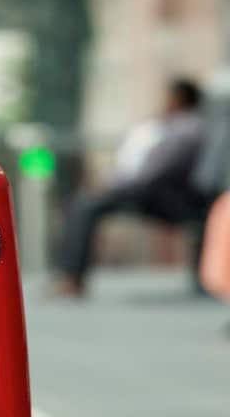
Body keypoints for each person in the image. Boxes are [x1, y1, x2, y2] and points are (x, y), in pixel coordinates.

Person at [51, 76, 210, 296]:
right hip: (143, 191)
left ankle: (72, 279)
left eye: (168, 96)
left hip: (161, 196)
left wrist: (116, 187)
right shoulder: (164, 125)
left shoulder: (189, 129)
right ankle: (70, 277)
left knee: (84, 206)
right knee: (82, 203)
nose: (163, 100)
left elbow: (158, 172)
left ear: (180, 98)